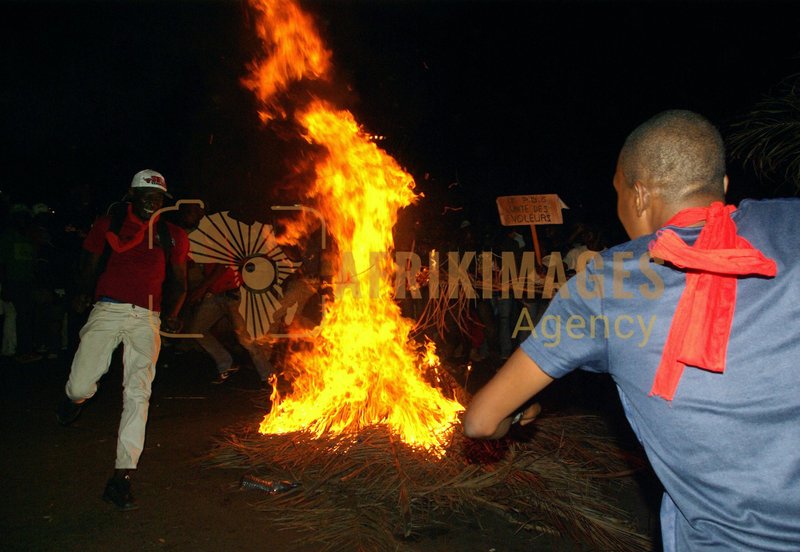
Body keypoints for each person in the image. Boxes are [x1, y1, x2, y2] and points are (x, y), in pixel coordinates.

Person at [463, 110, 800, 550]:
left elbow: (480, 421)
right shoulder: (790, 224)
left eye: (618, 193)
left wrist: (513, 416)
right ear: (721, 188)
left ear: (639, 195)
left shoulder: (607, 283)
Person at [56, 169, 189, 511]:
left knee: (138, 393)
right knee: (80, 386)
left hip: (146, 318)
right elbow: (89, 264)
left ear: (164, 201)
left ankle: (122, 477)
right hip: (108, 310)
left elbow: (179, 280)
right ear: (131, 194)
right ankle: (75, 400)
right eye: (146, 194)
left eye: (157, 197)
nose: (151, 200)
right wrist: (81, 293)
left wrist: (173, 311)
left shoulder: (172, 234)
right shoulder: (108, 224)